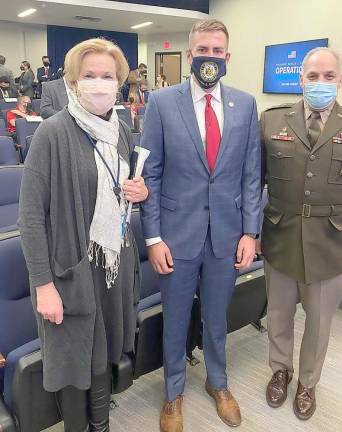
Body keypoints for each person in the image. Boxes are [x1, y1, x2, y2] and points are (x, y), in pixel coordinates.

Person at [18, 38, 149, 431]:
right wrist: (43, 285)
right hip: (69, 272)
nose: (99, 83)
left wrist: (139, 192)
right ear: (73, 82)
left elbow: (120, 191)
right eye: (89, 75)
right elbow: (30, 218)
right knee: (74, 360)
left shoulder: (122, 130)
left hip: (110, 265)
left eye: (107, 76)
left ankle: (101, 424)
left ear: (119, 82)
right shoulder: (52, 133)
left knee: (102, 354)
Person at [141, 19, 261, 432]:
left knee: (216, 316)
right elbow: (151, 174)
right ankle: (173, 392)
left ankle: (218, 382)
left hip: (226, 236)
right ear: (190, 55)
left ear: (227, 57)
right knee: (174, 318)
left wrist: (250, 231)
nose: (209, 58)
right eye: (202, 51)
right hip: (175, 235)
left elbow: (250, 174)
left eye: (217, 51)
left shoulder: (244, 105)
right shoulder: (160, 103)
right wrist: (153, 237)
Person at [260, 47, 342, 420]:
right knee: (279, 314)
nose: (320, 83)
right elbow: (254, 183)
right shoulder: (271, 120)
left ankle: (308, 382)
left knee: (319, 321)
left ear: (340, 80)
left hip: (332, 242)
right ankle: (280, 369)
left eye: (328, 76)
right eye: (312, 76)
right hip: (280, 236)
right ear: (301, 79)